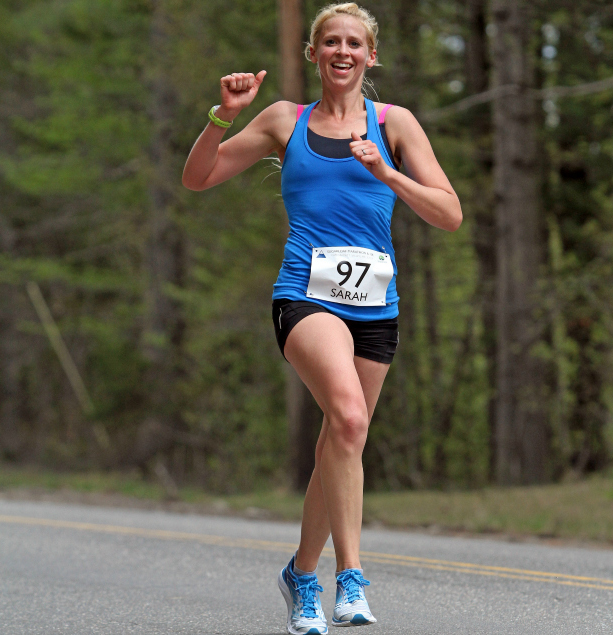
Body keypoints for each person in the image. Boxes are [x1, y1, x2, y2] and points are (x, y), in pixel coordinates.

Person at [183, 3, 461, 633]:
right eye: (329, 42)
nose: (341, 52)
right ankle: (351, 577)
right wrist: (221, 118)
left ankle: (301, 575)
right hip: (305, 296)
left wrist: (386, 172)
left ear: (370, 56)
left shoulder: (395, 125)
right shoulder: (286, 120)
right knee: (350, 413)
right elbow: (198, 177)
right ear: (313, 55)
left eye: (353, 44)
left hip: (376, 305)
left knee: (343, 437)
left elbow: (449, 213)